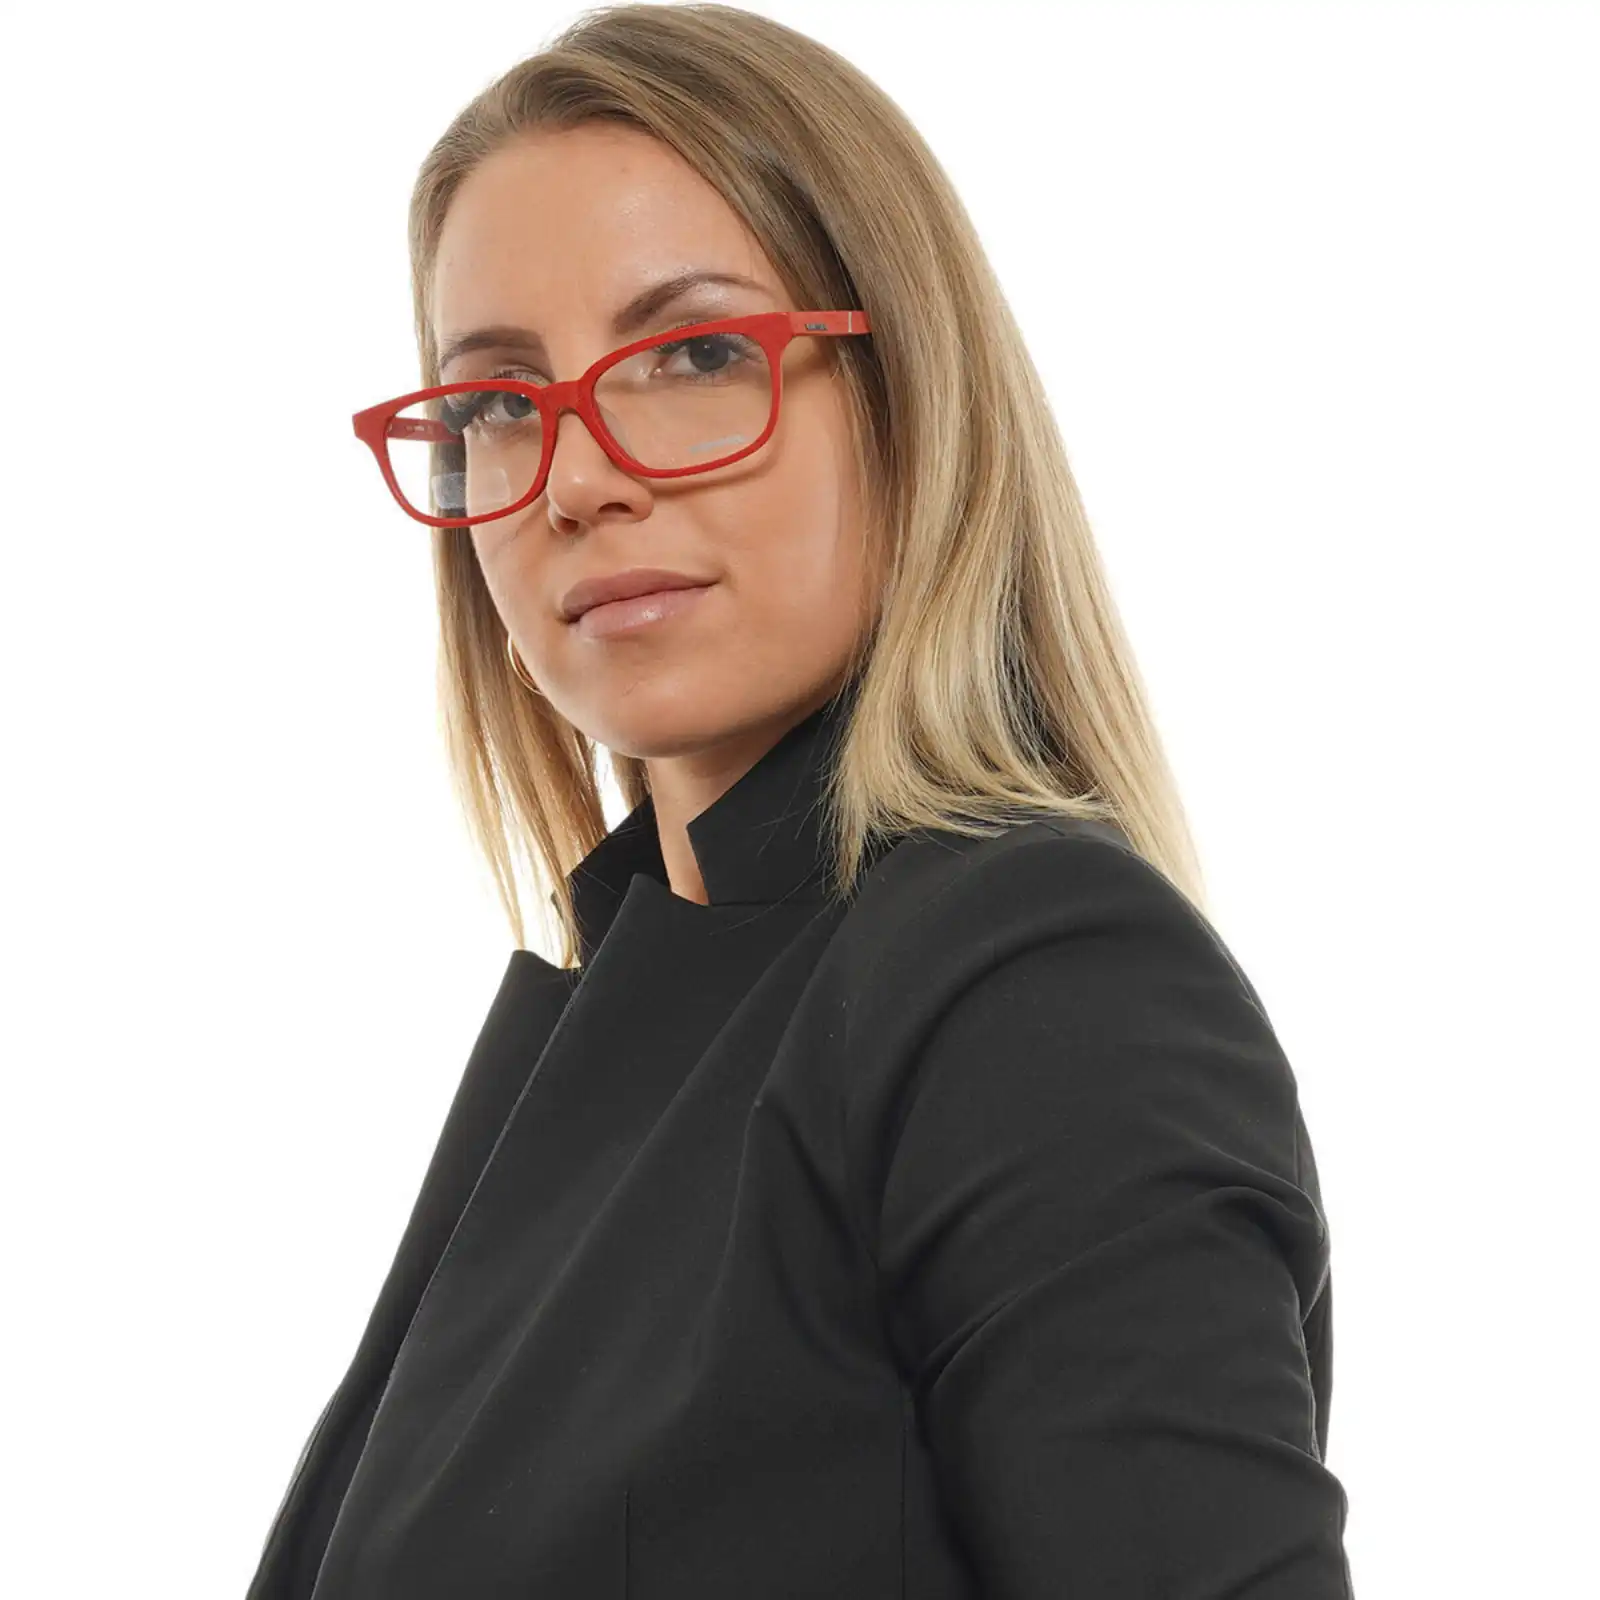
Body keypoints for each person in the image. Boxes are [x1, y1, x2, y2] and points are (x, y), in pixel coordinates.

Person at [248, 6, 1354, 1596]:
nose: (580, 477)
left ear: (909, 398)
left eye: (696, 355)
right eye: (497, 401)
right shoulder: (621, 1025)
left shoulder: (1034, 982)